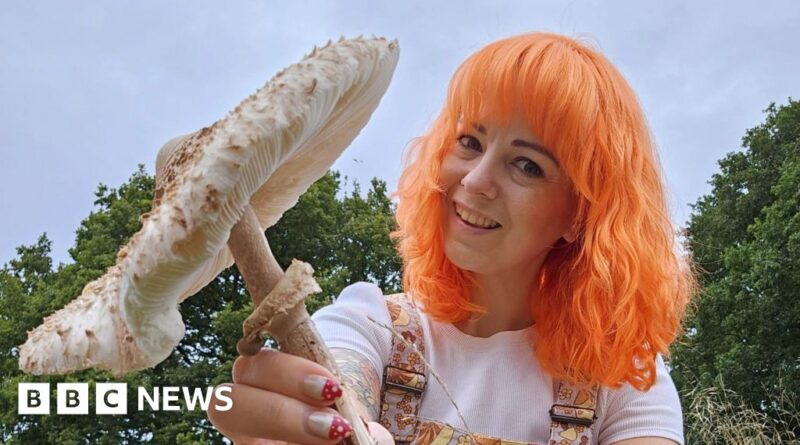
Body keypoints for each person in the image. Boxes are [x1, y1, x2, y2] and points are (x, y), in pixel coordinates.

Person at [207, 32, 695, 445]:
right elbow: (341, 376)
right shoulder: (373, 323)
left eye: (528, 165)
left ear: (580, 214)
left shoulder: (623, 379)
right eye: (471, 142)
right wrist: (317, 414)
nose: (477, 180)